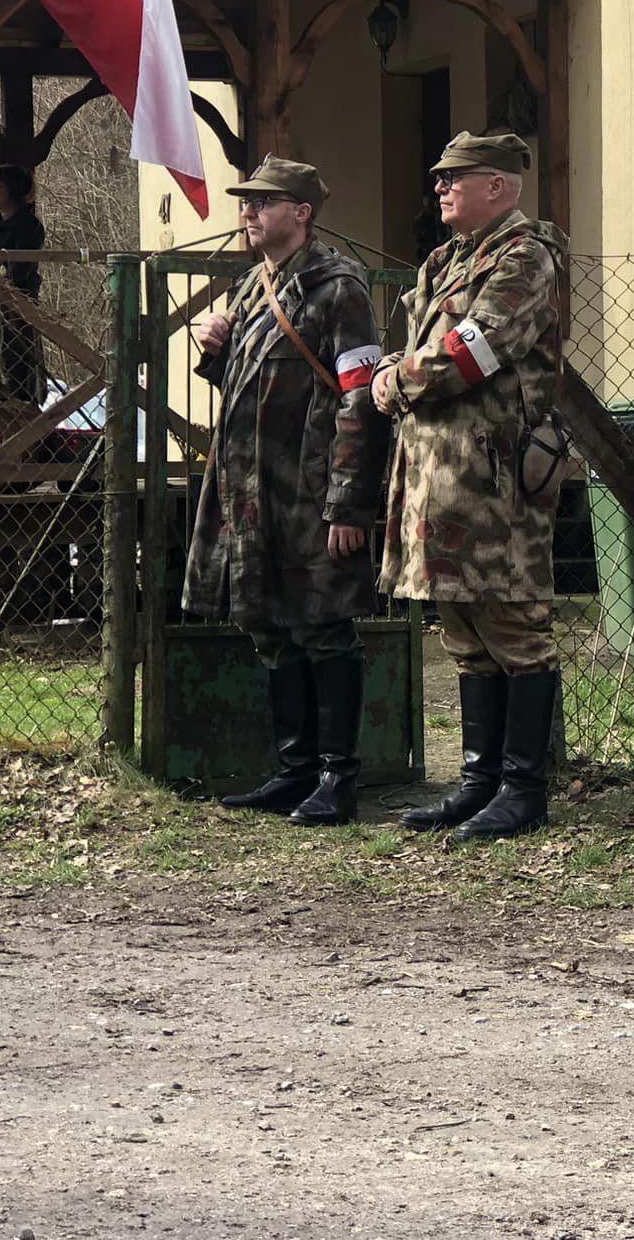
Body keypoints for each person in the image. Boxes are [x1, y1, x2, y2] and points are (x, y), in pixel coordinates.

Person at [373, 132, 568, 844]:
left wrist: (395, 381)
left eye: (454, 177)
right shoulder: (444, 261)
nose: (440, 188)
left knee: (513, 623)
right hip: (436, 473)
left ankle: (524, 789)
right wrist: (396, 369)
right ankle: (480, 782)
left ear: (499, 186)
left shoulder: (523, 258)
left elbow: (472, 352)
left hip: (493, 477)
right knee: (461, 625)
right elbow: (423, 345)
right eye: (439, 177)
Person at [183, 157, 390, 827]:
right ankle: (294, 771)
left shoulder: (339, 288)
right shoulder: (254, 286)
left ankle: (336, 778)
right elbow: (250, 385)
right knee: (268, 623)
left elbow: (360, 399)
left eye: (263, 202)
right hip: (250, 490)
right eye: (246, 201)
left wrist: (349, 502)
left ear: (301, 212)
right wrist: (217, 351)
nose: (247, 211)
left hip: (311, 488)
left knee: (324, 627)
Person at [0, 165, 45, 404]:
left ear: (13, 190)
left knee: (16, 369)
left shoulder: (28, 226)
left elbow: (20, 270)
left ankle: (18, 407)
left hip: (14, 310)